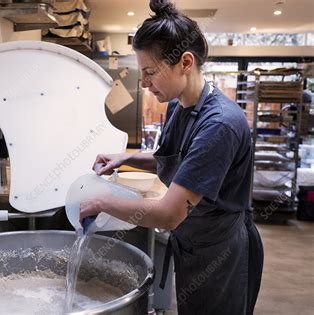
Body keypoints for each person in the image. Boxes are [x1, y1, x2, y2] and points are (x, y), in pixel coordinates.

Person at [79, 1, 264, 314]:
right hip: (192, 241)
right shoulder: (180, 105)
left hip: (222, 250)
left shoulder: (219, 124)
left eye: (150, 72)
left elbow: (168, 213)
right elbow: (174, 158)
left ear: (185, 62)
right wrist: (123, 158)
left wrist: (100, 203)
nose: (144, 83)